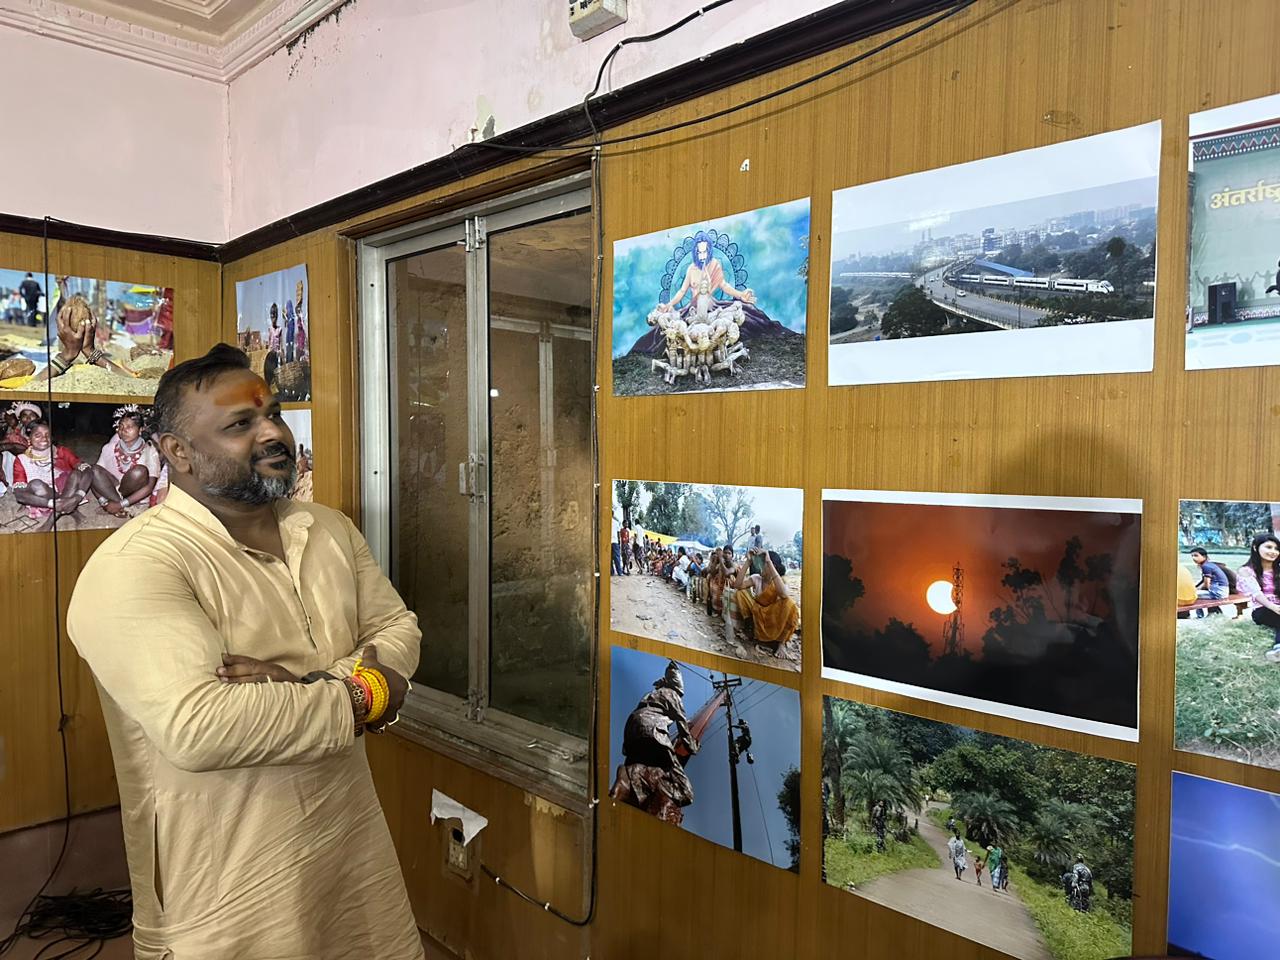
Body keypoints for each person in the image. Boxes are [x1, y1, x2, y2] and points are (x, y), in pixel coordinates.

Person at [66, 344, 424, 960]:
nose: (274, 434)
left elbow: (398, 627)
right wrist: (368, 691)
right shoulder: (137, 565)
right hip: (224, 889)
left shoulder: (328, 527)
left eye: (275, 415)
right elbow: (200, 729)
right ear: (177, 452)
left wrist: (314, 682)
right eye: (241, 424)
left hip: (352, 851)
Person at [610, 660, 698, 824]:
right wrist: (691, 746)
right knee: (685, 792)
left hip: (632, 732)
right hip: (652, 731)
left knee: (647, 764)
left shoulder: (651, 694)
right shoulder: (672, 694)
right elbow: (682, 723)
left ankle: (628, 777)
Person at [10, 419, 95, 532]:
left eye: (47, 435)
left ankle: (50, 522)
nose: (44, 439)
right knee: (37, 485)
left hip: (64, 490)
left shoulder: (60, 451)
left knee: (75, 474)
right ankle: (73, 512)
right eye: (38, 435)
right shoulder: (21, 459)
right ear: (28, 439)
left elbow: (87, 470)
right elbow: (19, 495)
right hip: (41, 498)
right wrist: (52, 503)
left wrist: (78, 497)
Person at [90, 405, 161, 516]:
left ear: (141, 430)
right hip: (112, 489)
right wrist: (103, 502)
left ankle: (120, 505)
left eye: (129, 427)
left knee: (139, 471)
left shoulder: (150, 451)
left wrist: (120, 504)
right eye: (121, 426)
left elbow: (149, 487)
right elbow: (94, 479)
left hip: (134, 493)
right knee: (93, 470)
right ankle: (119, 506)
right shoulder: (109, 448)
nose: (124, 430)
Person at [661, 232, 757, 314]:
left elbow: (724, 285)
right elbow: (682, 291)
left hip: (712, 305)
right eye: (699, 253)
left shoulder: (715, 264)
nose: (702, 256)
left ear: (709, 251)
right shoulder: (691, 269)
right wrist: (670, 304)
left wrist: (741, 295)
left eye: (704, 252)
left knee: (745, 311)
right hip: (693, 309)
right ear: (695, 253)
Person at [729, 548, 800, 655]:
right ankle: (751, 629)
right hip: (759, 617)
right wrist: (748, 562)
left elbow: (784, 594)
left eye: (764, 564)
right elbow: (737, 585)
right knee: (740, 593)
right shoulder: (756, 578)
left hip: (774, 619)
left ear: (772, 567)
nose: (760, 566)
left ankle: (781, 643)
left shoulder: (779, 581)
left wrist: (769, 561)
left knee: (790, 605)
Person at [1236, 532, 1280, 661]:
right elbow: (1256, 593)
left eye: (1277, 549)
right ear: (1255, 547)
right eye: (1268, 547)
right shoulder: (1246, 571)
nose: (1273, 552)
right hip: (1262, 609)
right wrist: (1273, 607)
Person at [1190, 546, 1231, 617]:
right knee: (1196, 593)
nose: (1194, 558)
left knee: (1193, 595)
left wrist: (1195, 590)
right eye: (1192, 556)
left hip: (1219, 592)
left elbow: (1206, 585)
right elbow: (1203, 581)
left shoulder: (1206, 566)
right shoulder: (1208, 564)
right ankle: (1214, 612)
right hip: (1222, 591)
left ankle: (1199, 616)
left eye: (1196, 555)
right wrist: (1195, 588)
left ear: (1204, 556)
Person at [264, 303, 283, 390]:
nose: (273, 318)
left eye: (274, 315)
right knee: (269, 372)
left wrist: (281, 353)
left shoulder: (279, 329)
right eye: (272, 315)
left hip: (276, 355)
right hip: (270, 354)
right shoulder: (270, 329)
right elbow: (269, 341)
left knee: (276, 372)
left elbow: (281, 342)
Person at [610, 505, 624, 576]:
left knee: (609, 557)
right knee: (617, 557)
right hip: (615, 541)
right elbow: (618, 533)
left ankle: (611, 572)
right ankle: (619, 572)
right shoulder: (616, 522)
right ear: (613, 514)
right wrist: (619, 542)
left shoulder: (605, 522)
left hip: (609, 542)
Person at [284, 300, 298, 364]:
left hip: (290, 340)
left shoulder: (291, 319)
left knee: (289, 352)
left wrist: (290, 342)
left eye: (287, 308)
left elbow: (291, 331)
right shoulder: (289, 319)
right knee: (288, 352)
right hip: (289, 339)